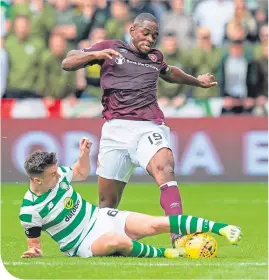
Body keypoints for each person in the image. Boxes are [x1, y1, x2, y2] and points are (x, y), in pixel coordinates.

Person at [61, 13, 218, 246]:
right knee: (106, 203)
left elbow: (170, 73)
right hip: (114, 130)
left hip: (148, 126)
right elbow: (68, 62)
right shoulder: (111, 48)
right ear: (132, 30)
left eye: (155, 35)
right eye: (146, 33)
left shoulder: (155, 57)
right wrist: (95, 55)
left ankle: (178, 235)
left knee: (164, 166)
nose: (150, 38)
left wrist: (197, 81)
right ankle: (100, 240)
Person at [20, 138, 242, 258]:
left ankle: (220, 228)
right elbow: (35, 246)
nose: (58, 174)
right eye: (52, 174)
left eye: (57, 170)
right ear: (37, 180)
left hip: (102, 218)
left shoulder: (59, 177)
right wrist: (34, 251)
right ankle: (167, 254)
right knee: (117, 241)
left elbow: (80, 172)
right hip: (82, 244)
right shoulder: (30, 211)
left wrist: (84, 156)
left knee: (156, 223)